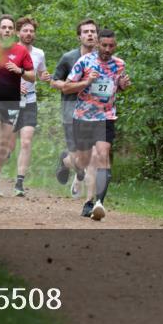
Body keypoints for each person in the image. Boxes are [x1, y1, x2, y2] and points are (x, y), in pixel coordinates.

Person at [62, 28, 131, 220]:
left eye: (111, 46)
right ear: (98, 44)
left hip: (106, 117)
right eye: (104, 45)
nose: (108, 49)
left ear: (115, 46)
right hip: (83, 117)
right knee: (82, 162)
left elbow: (116, 87)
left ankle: (95, 202)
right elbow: (67, 87)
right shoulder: (85, 62)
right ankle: (66, 160)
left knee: (102, 156)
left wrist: (123, 87)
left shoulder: (119, 64)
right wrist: (86, 81)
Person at [0, 14, 35, 197]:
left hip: (12, 102)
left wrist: (20, 71)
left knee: (3, 147)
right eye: (4, 27)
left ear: (14, 31)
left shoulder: (21, 51)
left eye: (10, 28)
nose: (7, 30)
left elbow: (32, 76)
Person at [49, 19, 99, 200]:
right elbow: (54, 81)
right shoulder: (69, 57)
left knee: (93, 155)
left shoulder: (104, 60)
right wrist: (72, 86)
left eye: (93, 31)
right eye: (86, 32)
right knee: (78, 158)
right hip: (71, 110)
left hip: (95, 112)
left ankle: (90, 201)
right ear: (79, 36)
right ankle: (66, 161)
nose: (90, 34)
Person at [8, 16, 48, 197]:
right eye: (25, 30)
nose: (29, 33)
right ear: (17, 32)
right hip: (9, 100)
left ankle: (19, 182)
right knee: (7, 143)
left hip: (30, 101)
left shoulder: (39, 53)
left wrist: (45, 76)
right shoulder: (8, 50)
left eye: (31, 31)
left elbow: (40, 73)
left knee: (26, 141)